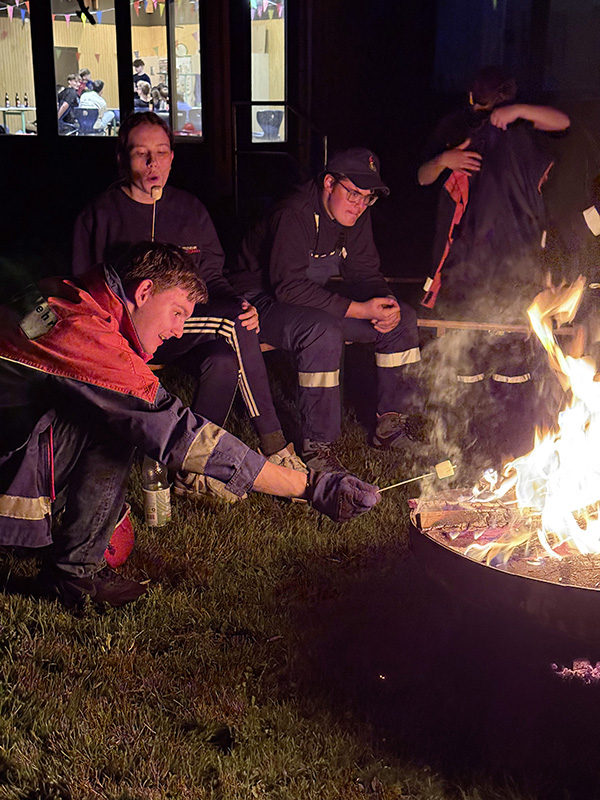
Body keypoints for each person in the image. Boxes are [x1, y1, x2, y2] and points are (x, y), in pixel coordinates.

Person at [0, 242, 380, 609]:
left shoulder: (76, 296)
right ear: (145, 290)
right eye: (178, 312)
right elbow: (179, 432)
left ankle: (73, 567)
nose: (180, 330)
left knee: (119, 414)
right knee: (128, 420)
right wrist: (312, 486)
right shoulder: (81, 328)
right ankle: (73, 573)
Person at [72, 111, 306, 498]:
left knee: (224, 357)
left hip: (181, 331)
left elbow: (211, 279)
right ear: (121, 157)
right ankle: (276, 448)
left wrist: (237, 303)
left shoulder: (190, 211)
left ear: (172, 157)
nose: (153, 164)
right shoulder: (98, 214)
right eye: (141, 153)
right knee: (231, 326)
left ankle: (192, 470)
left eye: (162, 152)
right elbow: (84, 290)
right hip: (124, 334)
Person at [229, 148, 422, 472]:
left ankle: (391, 424)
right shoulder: (293, 212)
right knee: (322, 331)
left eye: (368, 198)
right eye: (353, 194)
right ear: (329, 183)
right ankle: (319, 446)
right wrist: (359, 309)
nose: (360, 205)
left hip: (306, 296)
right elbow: (286, 287)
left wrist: (383, 302)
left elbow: (363, 271)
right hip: (257, 299)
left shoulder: (355, 214)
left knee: (403, 319)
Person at [417, 65, 570, 457]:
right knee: (465, 348)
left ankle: (512, 438)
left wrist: (518, 112)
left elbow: (563, 122)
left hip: (518, 259)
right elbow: (422, 176)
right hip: (465, 259)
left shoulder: (525, 128)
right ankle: (460, 436)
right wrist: (444, 160)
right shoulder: (457, 126)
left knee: (513, 349)